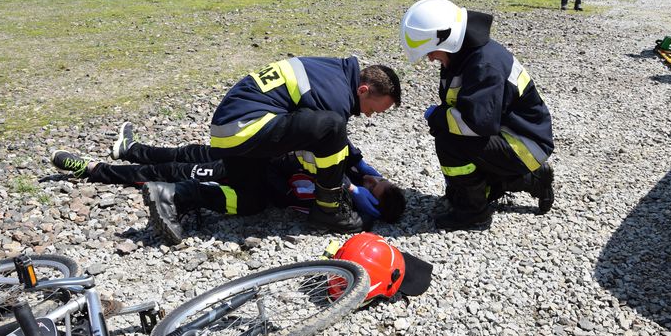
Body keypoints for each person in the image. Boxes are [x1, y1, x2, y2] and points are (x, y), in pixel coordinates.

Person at [137, 57, 401, 238]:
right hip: (245, 127)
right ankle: (329, 211)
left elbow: (323, 135)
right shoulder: (336, 93)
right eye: (373, 110)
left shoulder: (336, 78)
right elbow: (318, 145)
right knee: (333, 125)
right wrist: (349, 188)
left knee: (251, 201)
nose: (369, 116)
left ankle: (174, 195)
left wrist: (358, 163)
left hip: (234, 130)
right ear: (363, 90)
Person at [50, 123, 407, 243]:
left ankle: (91, 170)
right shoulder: (355, 171)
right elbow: (345, 152)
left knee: (174, 171)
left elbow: (292, 191)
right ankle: (131, 149)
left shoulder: (332, 191)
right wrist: (361, 169)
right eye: (380, 179)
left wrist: (355, 190)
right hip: (248, 155)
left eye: (377, 186)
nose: (375, 178)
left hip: (247, 171)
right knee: (189, 153)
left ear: (368, 199)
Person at [400, 0, 554, 229]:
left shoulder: (483, 65)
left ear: (447, 39)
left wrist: (439, 117)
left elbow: (477, 124)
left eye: (432, 52)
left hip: (525, 144)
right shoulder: (463, 55)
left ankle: (474, 214)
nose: (431, 58)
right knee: (451, 138)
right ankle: (527, 180)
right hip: (510, 135)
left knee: (449, 141)